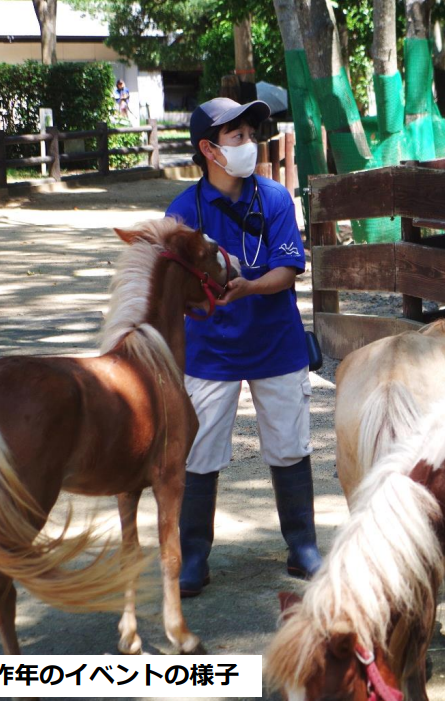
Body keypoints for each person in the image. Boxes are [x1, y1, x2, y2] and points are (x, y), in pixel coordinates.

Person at [166, 97, 322, 598]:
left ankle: (302, 546)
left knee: (289, 443)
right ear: (209, 149)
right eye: (236, 136)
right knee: (199, 450)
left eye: (250, 133)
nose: (248, 144)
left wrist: (250, 287)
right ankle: (193, 557)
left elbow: (287, 268)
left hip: (275, 343)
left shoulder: (275, 199)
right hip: (210, 350)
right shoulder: (183, 212)